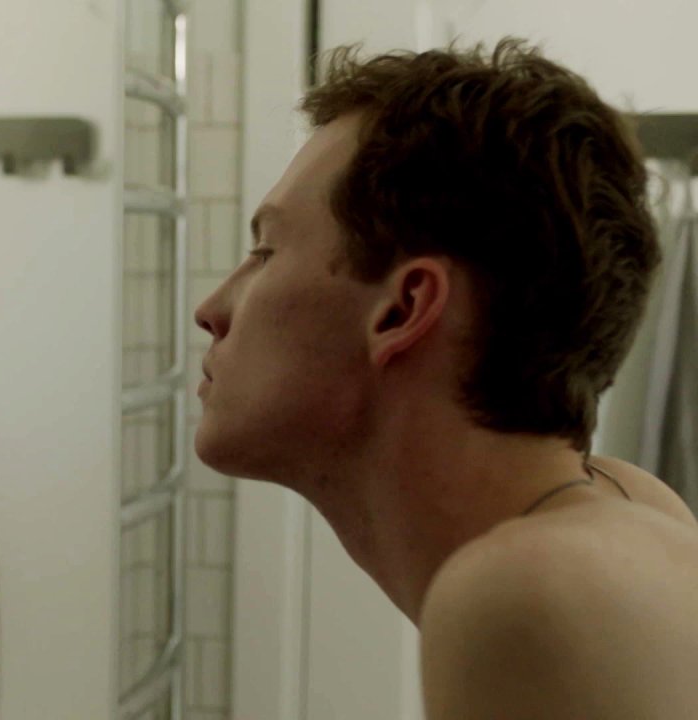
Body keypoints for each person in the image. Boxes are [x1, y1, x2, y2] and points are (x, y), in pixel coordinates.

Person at [193, 38, 698, 717]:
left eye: (265, 252)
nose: (211, 309)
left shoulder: (530, 591)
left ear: (403, 309)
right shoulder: (627, 507)